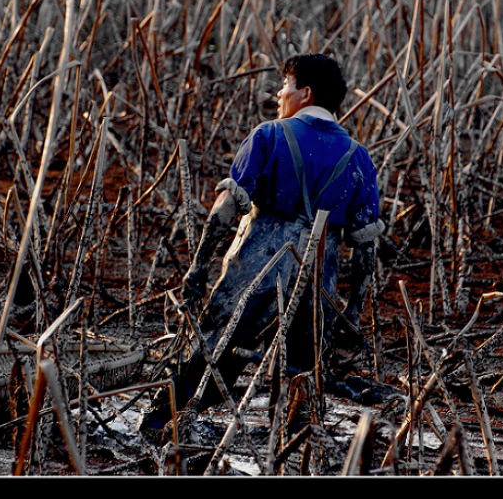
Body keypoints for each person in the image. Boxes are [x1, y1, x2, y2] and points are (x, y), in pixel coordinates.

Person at [142, 52, 384, 432]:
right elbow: (365, 248)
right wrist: (353, 311)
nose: (278, 93)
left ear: (304, 93)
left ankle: (158, 432)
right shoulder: (359, 159)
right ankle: (294, 456)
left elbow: (224, 209)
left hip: (256, 273)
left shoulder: (268, 136)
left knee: (208, 360)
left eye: (284, 85)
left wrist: (197, 267)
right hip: (318, 283)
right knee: (303, 382)